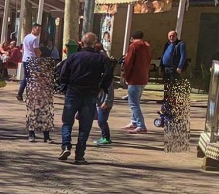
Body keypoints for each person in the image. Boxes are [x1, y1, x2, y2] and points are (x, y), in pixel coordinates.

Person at [57, 33, 114, 164]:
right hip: (90, 94)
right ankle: (79, 154)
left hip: (73, 92)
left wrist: (65, 88)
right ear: (95, 44)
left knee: (67, 122)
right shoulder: (100, 58)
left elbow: (63, 74)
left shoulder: (73, 57)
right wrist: (102, 87)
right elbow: (108, 74)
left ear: (81, 43)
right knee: (85, 125)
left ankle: (66, 145)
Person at [122, 29, 151, 134]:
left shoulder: (133, 46)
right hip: (143, 77)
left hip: (135, 77)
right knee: (136, 101)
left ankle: (141, 125)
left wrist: (125, 75)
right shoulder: (147, 47)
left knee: (133, 103)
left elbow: (128, 62)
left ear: (132, 38)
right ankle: (134, 122)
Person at [160, 29, 188, 125]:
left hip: (174, 68)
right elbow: (163, 54)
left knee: (174, 85)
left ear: (176, 36)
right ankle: (166, 100)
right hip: (166, 68)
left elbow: (183, 56)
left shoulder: (180, 44)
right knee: (166, 85)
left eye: (173, 36)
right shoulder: (167, 44)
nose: (171, 38)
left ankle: (173, 101)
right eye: (170, 36)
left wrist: (180, 67)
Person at [95, 42, 115, 146]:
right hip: (100, 100)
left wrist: (107, 101)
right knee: (100, 120)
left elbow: (109, 90)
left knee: (102, 121)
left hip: (105, 102)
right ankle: (104, 137)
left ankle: (106, 137)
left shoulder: (107, 75)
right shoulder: (101, 73)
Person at [17, 23, 41, 101]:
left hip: (25, 59)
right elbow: (36, 50)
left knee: (27, 77)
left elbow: (24, 49)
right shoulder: (34, 39)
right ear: (33, 29)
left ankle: (21, 93)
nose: (39, 32)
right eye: (37, 30)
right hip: (32, 60)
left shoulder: (26, 37)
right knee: (32, 78)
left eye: (40, 30)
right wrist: (39, 57)